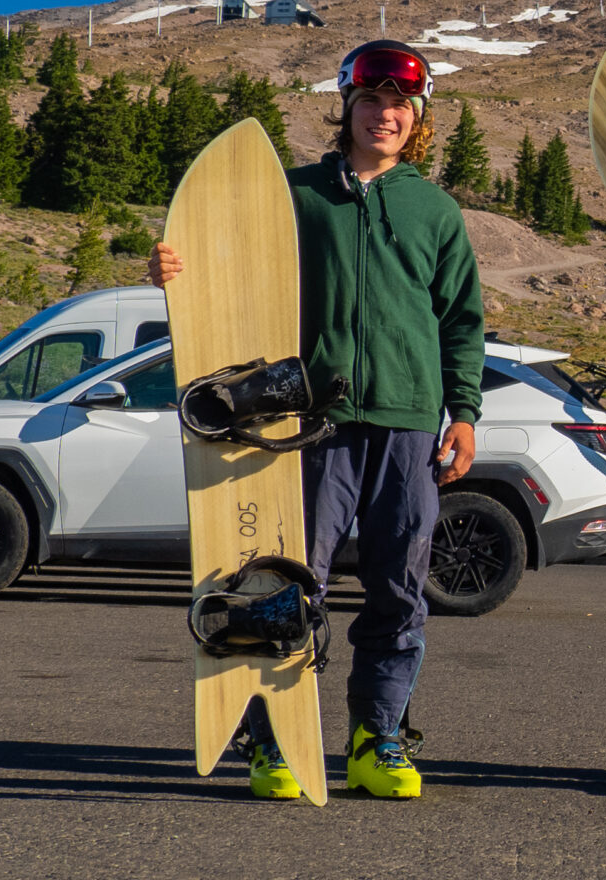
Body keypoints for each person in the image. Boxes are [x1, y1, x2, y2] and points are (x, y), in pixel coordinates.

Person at [151, 39, 485, 801]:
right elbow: (223, 267)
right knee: (287, 585)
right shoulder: (293, 197)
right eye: (371, 103)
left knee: (400, 589)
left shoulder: (435, 210)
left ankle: (379, 738)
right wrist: (174, 269)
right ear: (348, 109)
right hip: (311, 426)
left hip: (405, 422)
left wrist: (463, 413)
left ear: (417, 117)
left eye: (400, 106)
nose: (385, 116)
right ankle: (270, 738)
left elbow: (462, 322)